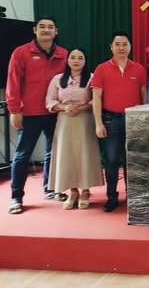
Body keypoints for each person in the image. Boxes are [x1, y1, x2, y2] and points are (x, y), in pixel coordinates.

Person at [6, 16, 68, 215]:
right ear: (35, 30)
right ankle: (16, 197)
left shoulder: (64, 54)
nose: (46, 30)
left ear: (56, 31)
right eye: (42, 26)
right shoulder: (21, 52)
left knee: (53, 152)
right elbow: (13, 83)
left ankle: (50, 188)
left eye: (50, 27)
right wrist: (15, 110)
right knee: (22, 155)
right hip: (29, 113)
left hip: (54, 112)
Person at [91, 31, 147, 212]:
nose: (121, 48)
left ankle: (134, 196)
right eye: (118, 44)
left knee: (133, 159)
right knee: (111, 160)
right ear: (111, 47)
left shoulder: (139, 69)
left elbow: (144, 95)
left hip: (134, 120)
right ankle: (112, 196)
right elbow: (96, 97)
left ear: (130, 47)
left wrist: (146, 120)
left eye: (125, 44)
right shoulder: (101, 69)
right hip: (111, 120)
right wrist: (98, 123)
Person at [46, 48, 103, 210]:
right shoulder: (57, 79)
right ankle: (73, 191)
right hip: (64, 122)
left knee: (85, 154)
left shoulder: (92, 78)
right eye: (73, 57)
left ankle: (85, 191)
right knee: (67, 155)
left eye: (80, 58)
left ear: (85, 61)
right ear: (67, 60)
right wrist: (64, 107)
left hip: (85, 121)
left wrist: (82, 107)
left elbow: (97, 100)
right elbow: (49, 101)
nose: (76, 61)